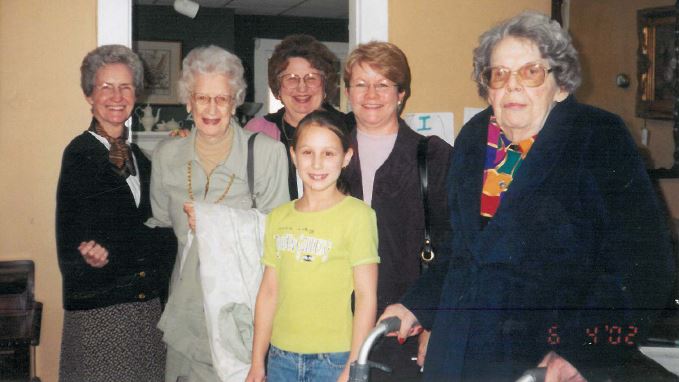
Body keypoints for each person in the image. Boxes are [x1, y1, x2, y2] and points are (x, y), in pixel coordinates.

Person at [381, 11, 677, 381]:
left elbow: (645, 267)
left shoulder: (597, 137)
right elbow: (459, 251)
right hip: (458, 352)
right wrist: (416, 304)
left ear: (561, 84)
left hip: (543, 359)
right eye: (499, 74)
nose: (512, 86)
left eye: (530, 72)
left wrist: (581, 353)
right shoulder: (474, 138)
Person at [146, 45, 289, 381]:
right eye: (201, 98)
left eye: (221, 98)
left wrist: (214, 221)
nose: (211, 109)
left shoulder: (267, 154)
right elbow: (163, 230)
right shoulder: (167, 155)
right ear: (188, 101)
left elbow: (279, 239)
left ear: (235, 100)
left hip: (242, 316)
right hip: (187, 314)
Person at [56, 44, 177, 382]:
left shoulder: (140, 157)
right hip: (102, 309)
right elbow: (70, 231)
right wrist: (86, 256)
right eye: (105, 86)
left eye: (125, 86)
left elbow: (155, 225)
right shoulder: (80, 154)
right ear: (89, 95)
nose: (116, 96)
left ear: (136, 94)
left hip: (145, 308)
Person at [342, 41, 453, 381]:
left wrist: (433, 322)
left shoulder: (433, 157)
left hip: (401, 329)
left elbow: (456, 250)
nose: (371, 94)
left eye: (383, 84)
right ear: (347, 92)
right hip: (329, 328)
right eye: (361, 84)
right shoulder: (326, 152)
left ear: (402, 93)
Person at [245, 110, 380, 382]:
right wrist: (257, 361)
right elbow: (269, 292)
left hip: (333, 359)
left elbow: (366, 297)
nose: (317, 163)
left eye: (328, 153)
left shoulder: (358, 216)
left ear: (346, 158)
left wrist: (352, 367)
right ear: (293, 155)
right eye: (307, 152)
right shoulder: (278, 217)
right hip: (280, 358)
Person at [245, 34, 347, 199]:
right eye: (291, 79)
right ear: (278, 87)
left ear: (325, 84)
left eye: (311, 78)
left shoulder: (347, 128)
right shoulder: (257, 131)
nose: (302, 87)